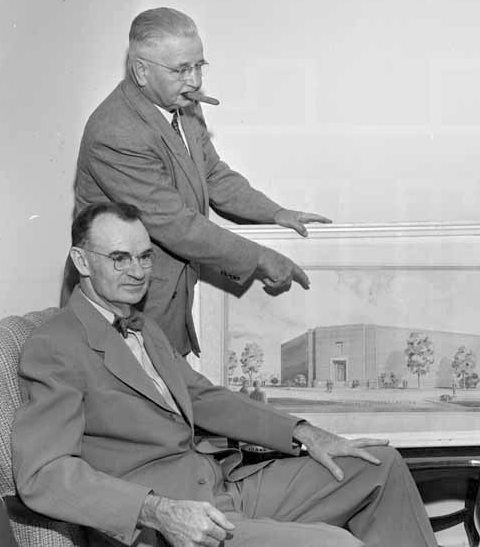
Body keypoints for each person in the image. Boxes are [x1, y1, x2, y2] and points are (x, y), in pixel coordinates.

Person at [13, 203, 437, 547]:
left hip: (224, 484)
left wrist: (304, 432)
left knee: (380, 465)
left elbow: (201, 397)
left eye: (145, 257)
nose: (138, 272)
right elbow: (42, 474)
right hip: (173, 523)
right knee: (335, 545)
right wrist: (156, 510)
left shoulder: (144, 326)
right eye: (119, 258)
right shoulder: (57, 344)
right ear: (81, 261)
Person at [69, 7, 332, 356]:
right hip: (117, 307)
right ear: (141, 71)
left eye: (198, 66)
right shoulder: (115, 132)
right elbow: (176, 225)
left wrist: (276, 213)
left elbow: (212, 173)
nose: (194, 81)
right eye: (181, 70)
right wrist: (260, 258)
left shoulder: (184, 105)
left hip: (160, 302)